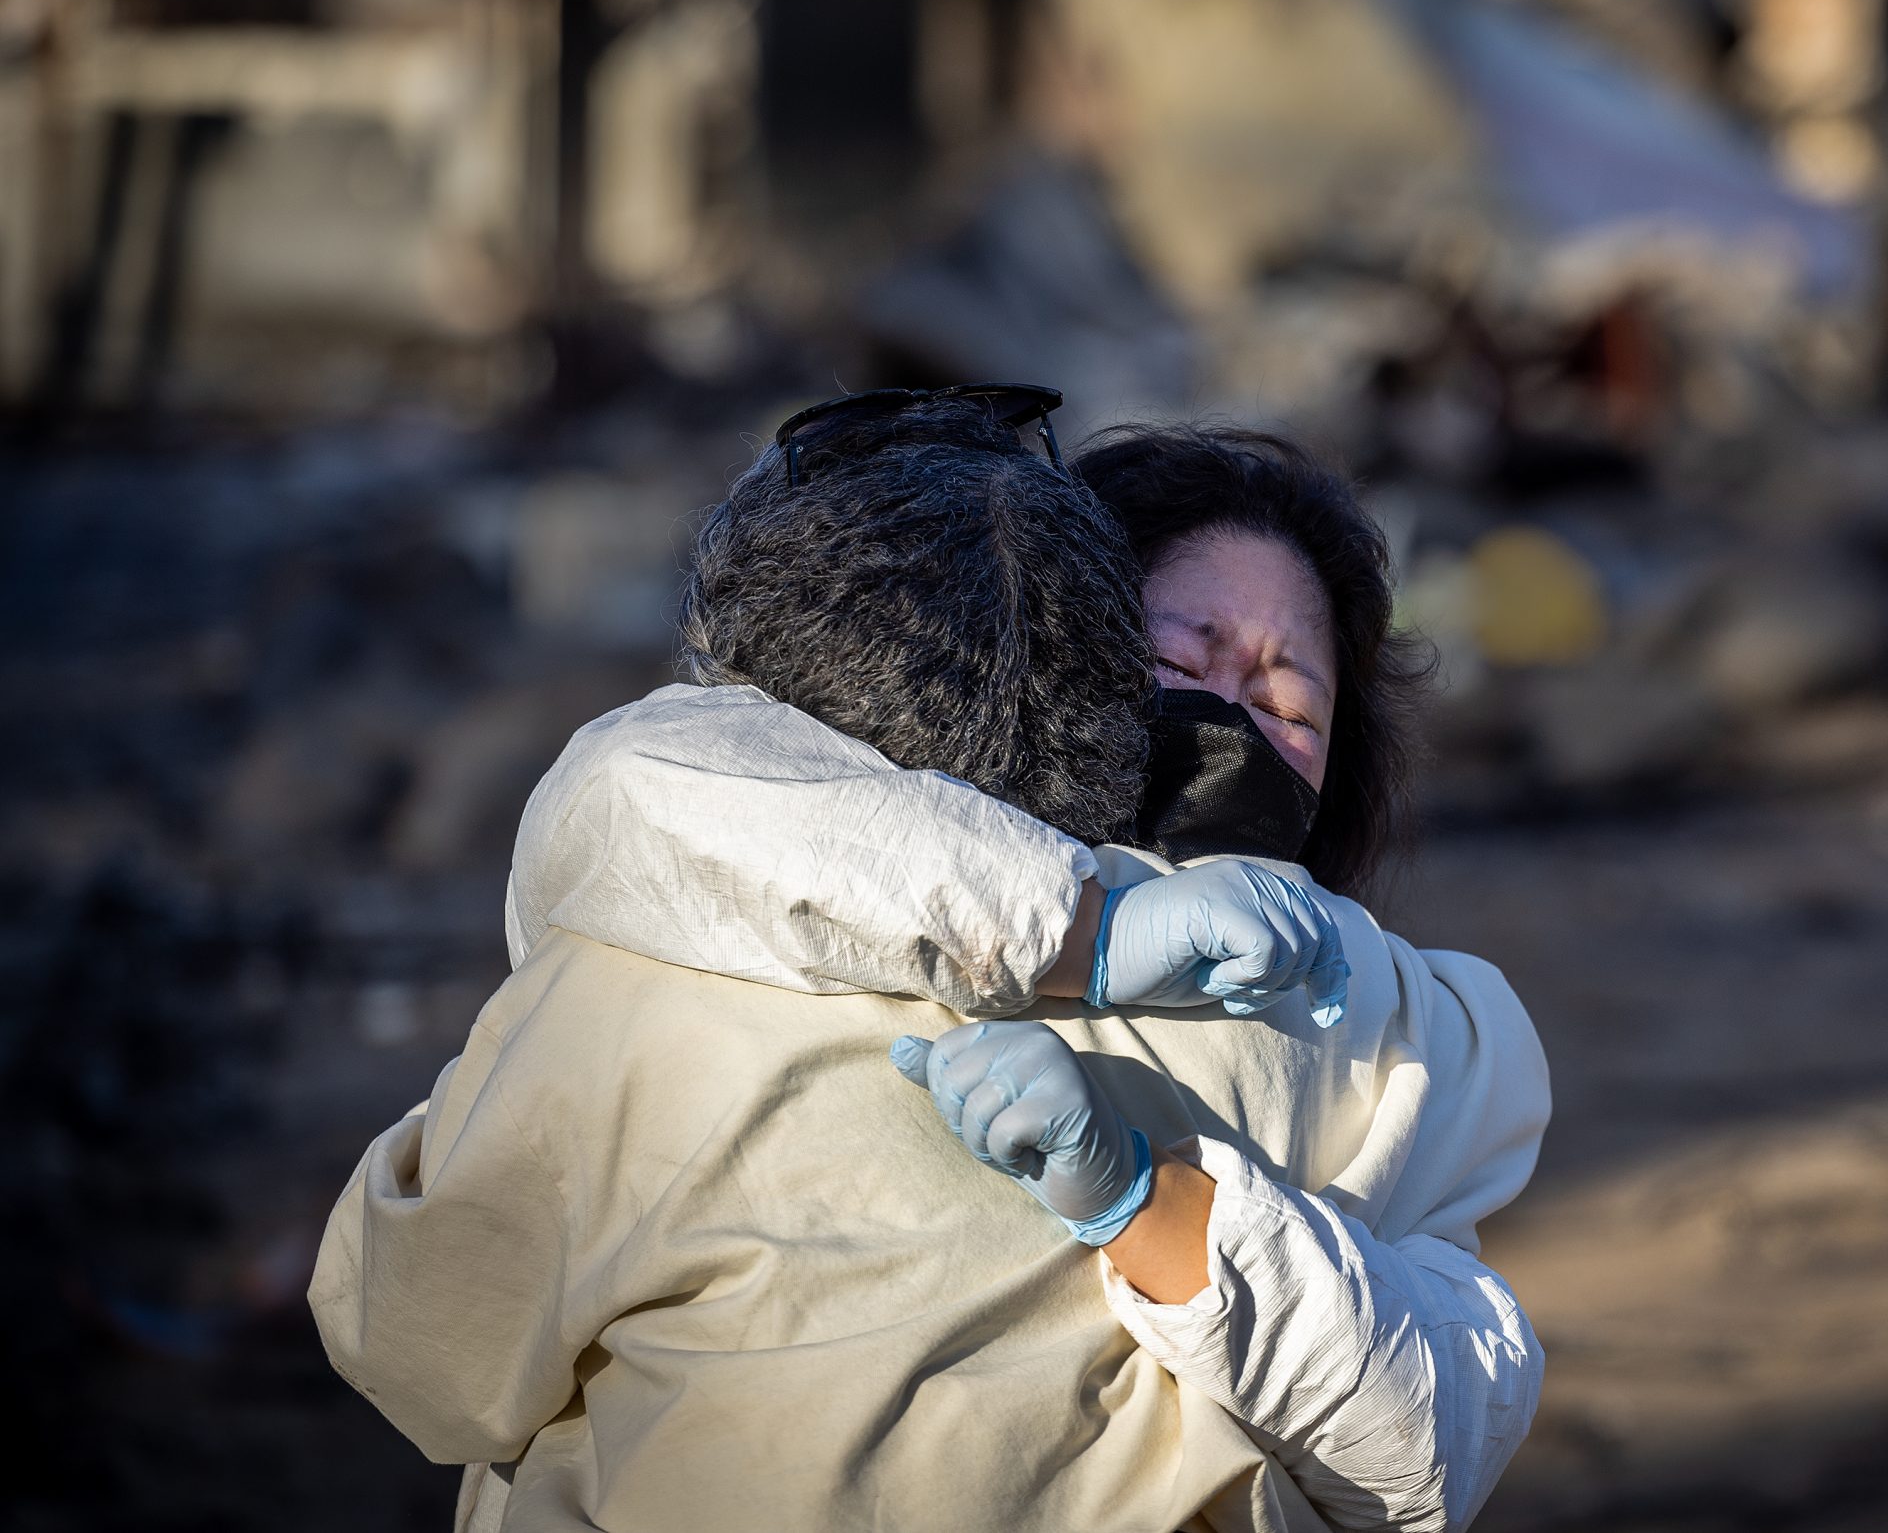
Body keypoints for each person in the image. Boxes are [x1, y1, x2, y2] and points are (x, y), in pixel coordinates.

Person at [311, 398, 1547, 1531]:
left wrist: (1153, 1200)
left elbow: (421, 1349)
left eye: (1288, 703)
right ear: (1051, 644)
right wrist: (1094, 944)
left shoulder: (1371, 1016)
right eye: (1185, 656)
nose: (1227, 712)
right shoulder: (1405, 1029)